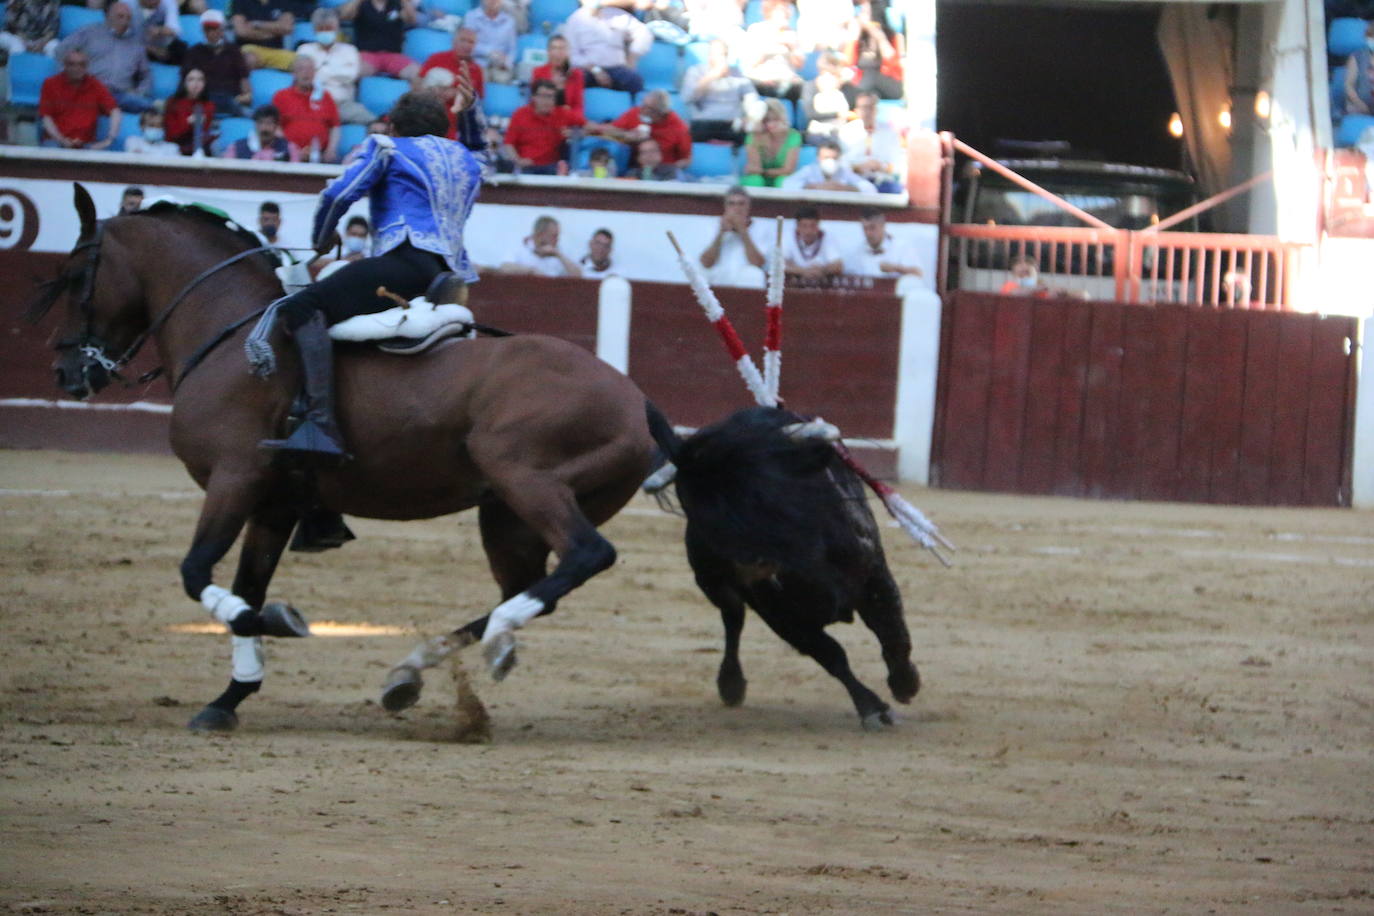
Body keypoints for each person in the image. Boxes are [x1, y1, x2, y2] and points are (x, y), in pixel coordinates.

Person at [258, 90, 484, 463]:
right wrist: (471, 113)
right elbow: (481, 150)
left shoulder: (387, 147)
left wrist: (321, 236)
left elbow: (337, 195)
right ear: (443, 129)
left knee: (302, 306)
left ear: (393, 126)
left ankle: (320, 425)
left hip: (402, 264)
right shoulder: (465, 160)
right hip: (445, 274)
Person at [56, 1, 153, 113]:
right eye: (120, 16)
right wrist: (69, 79)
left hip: (120, 95)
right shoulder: (90, 32)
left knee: (148, 107)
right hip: (90, 89)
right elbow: (61, 50)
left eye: (128, 18)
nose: (125, 21)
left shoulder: (136, 45)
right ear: (108, 16)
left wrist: (139, 92)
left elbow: (146, 74)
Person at [562, 0, 652, 95]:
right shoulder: (575, 20)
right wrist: (596, 70)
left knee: (634, 80)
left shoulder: (617, 15)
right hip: (588, 70)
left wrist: (632, 57)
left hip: (616, 69)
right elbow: (571, 54)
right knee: (573, 80)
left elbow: (643, 33)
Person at [39, 48, 121, 149]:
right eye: (72, 64)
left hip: (86, 144)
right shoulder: (50, 84)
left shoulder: (95, 85)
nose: (76, 68)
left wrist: (109, 139)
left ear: (87, 67)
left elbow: (115, 111)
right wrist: (62, 140)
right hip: (56, 141)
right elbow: (46, 117)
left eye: (81, 64)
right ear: (64, 65)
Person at [680, 37, 757, 145]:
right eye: (717, 54)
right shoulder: (696, 71)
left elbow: (751, 98)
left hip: (732, 122)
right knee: (695, 130)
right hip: (706, 122)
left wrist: (750, 117)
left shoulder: (737, 74)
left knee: (751, 132)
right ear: (709, 55)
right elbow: (687, 97)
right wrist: (711, 76)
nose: (722, 58)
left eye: (724, 54)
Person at [590, 89, 692, 169]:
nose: (642, 110)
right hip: (634, 168)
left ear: (659, 113)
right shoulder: (635, 113)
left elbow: (686, 160)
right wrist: (627, 135)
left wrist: (669, 169)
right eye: (643, 104)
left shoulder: (678, 128)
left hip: (663, 171)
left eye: (647, 108)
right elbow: (609, 130)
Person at [501, 78, 584, 175]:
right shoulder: (520, 114)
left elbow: (589, 127)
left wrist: (575, 133)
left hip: (552, 166)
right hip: (527, 166)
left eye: (551, 97)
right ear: (533, 97)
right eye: (543, 96)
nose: (547, 101)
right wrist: (518, 161)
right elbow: (508, 144)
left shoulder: (562, 113)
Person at [180, 9, 250, 118]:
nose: (212, 33)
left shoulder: (234, 51)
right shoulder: (194, 52)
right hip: (203, 100)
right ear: (203, 31)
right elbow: (186, 82)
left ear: (222, 30)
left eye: (215, 29)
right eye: (208, 29)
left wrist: (245, 97)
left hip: (230, 99)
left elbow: (244, 81)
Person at [272, 55, 342, 163]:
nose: (306, 73)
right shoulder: (281, 96)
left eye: (310, 69)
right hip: (289, 154)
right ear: (293, 74)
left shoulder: (325, 96)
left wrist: (331, 149)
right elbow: (275, 127)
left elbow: (335, 127)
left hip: (321, 155)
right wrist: (293, 150)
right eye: (301, 69)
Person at [699, 185, 769, 288]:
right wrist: (720, 233)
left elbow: (758, 263)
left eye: (741, 204)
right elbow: (706, 263)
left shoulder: (762, 228)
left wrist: (743, 231)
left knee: (754, 273)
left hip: (747, 286)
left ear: (748, 206)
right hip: (718, 282)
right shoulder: (711, 226)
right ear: (725, 207)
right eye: (732, 204)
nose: (737, 208)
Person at [837, 89, 903, 192]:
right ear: (856, 110)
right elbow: (840, 163)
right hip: (854, 181)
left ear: (877, 110)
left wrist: (881, 166)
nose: (867, 112)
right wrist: (858, 167)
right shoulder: (846, 132)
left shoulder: (890, 133)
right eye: (863, 108)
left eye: (871, 107)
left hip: (882, 181)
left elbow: (898, 164)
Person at [740, 0, 803, 101]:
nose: (786, 13)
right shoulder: (757, 29)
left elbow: (799, 65)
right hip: (762, 77)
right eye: (781, 10)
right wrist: (773, 44)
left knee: (800, 86)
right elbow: (750, 63)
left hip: (786, 79)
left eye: (786, 10)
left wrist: (792, 48)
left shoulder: (791, 33)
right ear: (770, 12)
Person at [840, 0, 901, 103]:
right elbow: (848, 64)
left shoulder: (891, 36)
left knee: (872, 77)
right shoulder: (855, 37)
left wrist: (880, 38)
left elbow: (895, 68)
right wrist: (854, 36)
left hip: (886, 85)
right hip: (860, 87)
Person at [340, 0, 419, 80]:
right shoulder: (362, 4)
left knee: (417, 73)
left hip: (393, 55)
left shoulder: (397, 4)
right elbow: (344, 16)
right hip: (367, 54)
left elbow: (412, 20)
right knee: (353, 72)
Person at [842, 207, 924, 281]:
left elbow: (918, 274)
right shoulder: (856, 252)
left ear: (883, 226)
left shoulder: (901, 247)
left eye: (872, 227)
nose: (868, 233)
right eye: (865, 228)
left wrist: (896, 268)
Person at [740, 97, 800, 187]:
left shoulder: (793, 135)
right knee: (755, 181)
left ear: (782, 119)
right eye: (766, 121)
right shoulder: (753, 136)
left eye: (775, 120)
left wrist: (764, 172)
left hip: (780, 177)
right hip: (760, 179)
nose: (771, 124)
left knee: (783, 181)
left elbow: (788, 170)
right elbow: (754, 168)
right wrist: (762, 138)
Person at [231, 0, 306, 71]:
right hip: (250, 48)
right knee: (248, 60)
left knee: (303, 64)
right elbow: (241, 31)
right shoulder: (240, 1)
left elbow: (288, 27)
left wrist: (257, 24)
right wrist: (275, 31)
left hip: (277, 51)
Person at [781, 137, 877, 192]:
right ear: (818, 158)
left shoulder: (843, 171)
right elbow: (787, 184)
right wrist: (813, 186)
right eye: (826, 158)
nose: (830, 161)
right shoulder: (809, 170)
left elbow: (870, 189)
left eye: (834, 158)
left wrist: (845, 188)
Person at [498, 215, 582, 277]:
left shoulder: (560, 251)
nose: (557, 239)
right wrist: (531, 271)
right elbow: (504, 267)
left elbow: (578, 276)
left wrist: (558, 255)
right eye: (554, 236)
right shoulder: (520, 248)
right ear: (540, 235)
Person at [417, 27, 486, 103]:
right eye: (462, 40)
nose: (466, 45)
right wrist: (430, 91)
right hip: (430, 106)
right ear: (453, 42)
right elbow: (418, 81)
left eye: (471, 42)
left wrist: (458, 94)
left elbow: (478, 98)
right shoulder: (436, 58)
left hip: (457, 112)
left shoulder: (477, 69)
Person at [781, 204, 842, 281]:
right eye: (804, 226)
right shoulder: (788, 237)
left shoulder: (827, 237)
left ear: (818, 226)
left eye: (812, 226)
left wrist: (822, 270)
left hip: (821, 284)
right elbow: (779, 265)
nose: (808, 231)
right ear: (797, 227)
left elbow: (838, 265)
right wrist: (803, 271)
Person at [164, 66, 216, 156]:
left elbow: (205, 131)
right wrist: (188, 122)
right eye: (191, 79)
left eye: (200, 80)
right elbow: (171, 135)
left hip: (199, 147)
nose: (196, 84)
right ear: (184, 82)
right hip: (175, 146)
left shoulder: (209, 105)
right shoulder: (172, 103)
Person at [530, 34, 585, 119]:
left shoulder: (576, 75)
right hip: (544, 119)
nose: (558, 53)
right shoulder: (538, 72)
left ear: (567, 53)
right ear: (548, 52)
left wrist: (571, 118)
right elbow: (534, 104)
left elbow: (578, 106)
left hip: (568, 119)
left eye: (562, 48)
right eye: (554, 48)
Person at [462, 0, 516, 82]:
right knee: (479, 77)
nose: (493, 1)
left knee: (503, 80)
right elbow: (466, 43)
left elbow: (512, 48)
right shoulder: (471, 16)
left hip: (500, 65)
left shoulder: (509, 21)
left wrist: (507, 63)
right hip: (477, 61)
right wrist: (490, 52)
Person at [222, 103, 299, 160]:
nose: (264, 128)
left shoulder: (289, 148)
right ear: (255, 125)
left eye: (269, 123)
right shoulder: (236, 147)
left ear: (276, 126)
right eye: (260, 123)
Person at [133, 0, 184, 65]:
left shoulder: (169, 2)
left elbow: (175, 30)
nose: (154, 2)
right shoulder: (126, 5)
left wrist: (159, 31)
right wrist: (153, 50)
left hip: (163, 47)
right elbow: (124, 41)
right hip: (138, 49)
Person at [1344, 20, 1374, 116]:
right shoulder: (1357, 56)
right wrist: (1359, 104)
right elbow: (1348, 85)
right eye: (1371, 37)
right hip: (1360, 108)